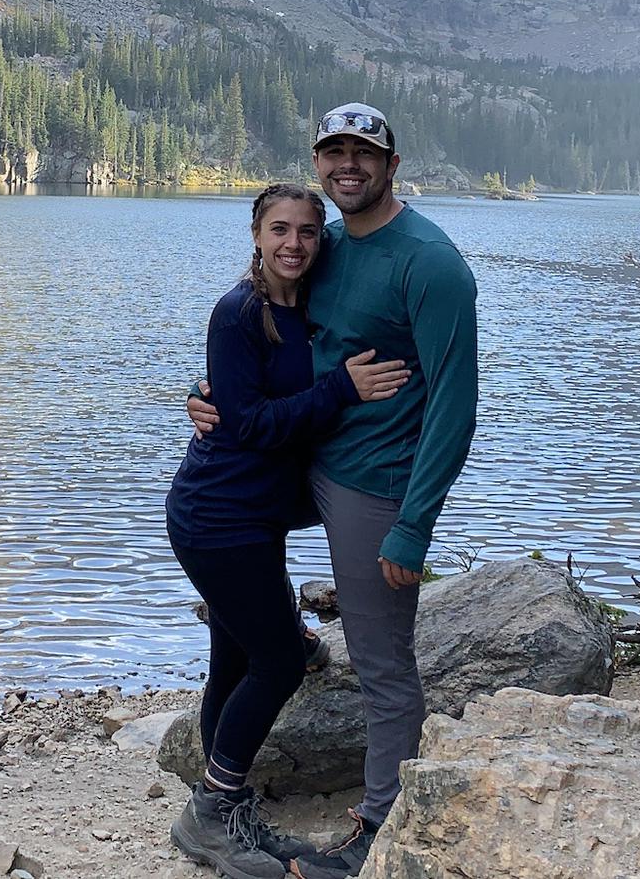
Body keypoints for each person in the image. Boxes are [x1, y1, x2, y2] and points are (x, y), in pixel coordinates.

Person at [189, 104, 479, 879]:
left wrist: (414, 525)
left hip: (372, 483)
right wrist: (208, 392)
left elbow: (456, 402)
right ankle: (222, 802)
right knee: (243, 643)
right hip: (299, 472)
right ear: (319, 164)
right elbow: (284, 348)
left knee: (384, 664)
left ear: (390, 162)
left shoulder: (431, 262)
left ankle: (377, 831)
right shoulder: (331, 245)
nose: (347, 164)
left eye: (363, 153)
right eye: (333, 152)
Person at [166, 183, 408, 879]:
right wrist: (339, 391)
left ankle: (224, 807)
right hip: (217, 516)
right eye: (279, 229)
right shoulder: (239, 311)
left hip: (257, 517)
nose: (293, 244)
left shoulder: (314, 306)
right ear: (255, 233)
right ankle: (212, 815)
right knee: (279, 662)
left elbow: (256, 393)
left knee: (236, 661)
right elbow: (247, 423)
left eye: (307, 230)